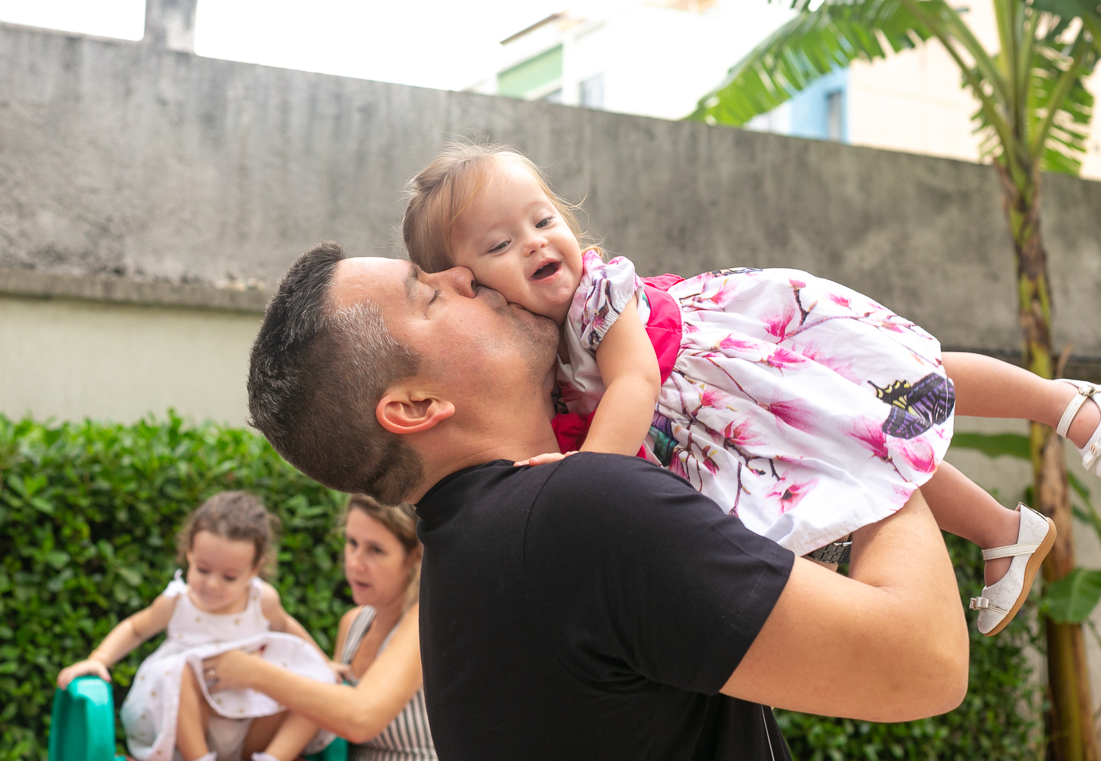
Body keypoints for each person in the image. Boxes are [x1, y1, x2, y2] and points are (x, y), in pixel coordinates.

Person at [244, 241, 970, 759]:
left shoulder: (475, 556)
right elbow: (925, 662)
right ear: (416, 404)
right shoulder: (576, 513)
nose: (465, 271)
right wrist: (851, 428)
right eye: (429, 294)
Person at [398, 141, 1101, 637]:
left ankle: (1062, 400)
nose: (534, 241)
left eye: (542, 218)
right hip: (730, 419)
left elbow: (635, 377)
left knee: (905, 377)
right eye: (499, 244)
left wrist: (585, 473)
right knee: (867, 459)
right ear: (467, 284)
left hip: (747, 356)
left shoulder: (596, 293)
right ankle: (1001, 531)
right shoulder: (541, 360)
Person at [56, 491, 336, 761]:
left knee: (315, 684)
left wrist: (323, 663)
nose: (212, 584)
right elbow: (135, 629)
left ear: (253, 570)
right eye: (203, 569)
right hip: (193, 727)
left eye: (229, 577)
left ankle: (275, 757)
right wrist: (99, 659)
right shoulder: (177, 602)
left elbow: (287, 627)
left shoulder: (261, 600)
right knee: (179, 670)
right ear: (189, 553)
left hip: (251, 722)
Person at [200, 494, 435, 761]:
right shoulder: (353, 623)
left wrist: (253, 672)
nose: (355, 563)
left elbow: (360, 719)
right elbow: (328, 717)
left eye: (375, 550)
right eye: (352, 543)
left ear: (414, 557)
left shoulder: (422, 621)